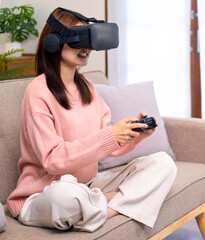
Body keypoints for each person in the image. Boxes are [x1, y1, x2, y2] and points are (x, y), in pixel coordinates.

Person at [7, 7, 177, 232]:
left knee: (163, 163)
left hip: (88, 185)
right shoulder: (38, 91)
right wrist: (109, 136)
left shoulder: (87, 87)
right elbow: (52, 160)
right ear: (54, 41)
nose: (86, 48)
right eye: (80, 39)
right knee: (64, 196)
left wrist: (130, 135)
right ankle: (111, 203)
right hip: (44, 193)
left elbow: (106, 148)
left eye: (89, 39)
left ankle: (102, 207)